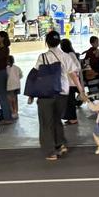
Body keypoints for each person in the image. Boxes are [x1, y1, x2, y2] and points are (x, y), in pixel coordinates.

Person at [29, 31, 71, 162]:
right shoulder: (66, 56)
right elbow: (74, 74)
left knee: (46, 123)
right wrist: (81, 91)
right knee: (57, 119)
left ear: (47, 42)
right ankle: (61, 144)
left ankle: (51, 152)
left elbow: (35, 75)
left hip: (46, 94)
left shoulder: (42, 57)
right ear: (59, 42)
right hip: (62, 93)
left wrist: (31, 94)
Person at [59, 38, 83, 124]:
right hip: (71, 81)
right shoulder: (70, 54)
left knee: (70, 101)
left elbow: (75, 67)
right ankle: (71, 118)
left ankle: (73, 119)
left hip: (71, 81)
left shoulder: (69, 55)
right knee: (70, 100)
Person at [3, 54, 21, 121]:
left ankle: (13, 112)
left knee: (10, 100)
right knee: (15, 99)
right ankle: (16, 112)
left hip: (10, 86)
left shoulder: (6, 69)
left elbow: (5, 77)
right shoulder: (17, 67)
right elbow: (21, 75)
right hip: (17, 86)